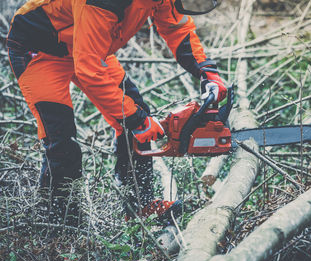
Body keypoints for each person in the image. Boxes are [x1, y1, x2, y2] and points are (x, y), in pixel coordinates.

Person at [6, 0, 227, 226]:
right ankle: (59, 225)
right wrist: (138, 121)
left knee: (136, 110)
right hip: (41, 50)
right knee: (61, 141)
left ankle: (139, 205)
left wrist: (207, 73)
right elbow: (89, 70)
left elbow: (176, 28)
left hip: (89, 44)